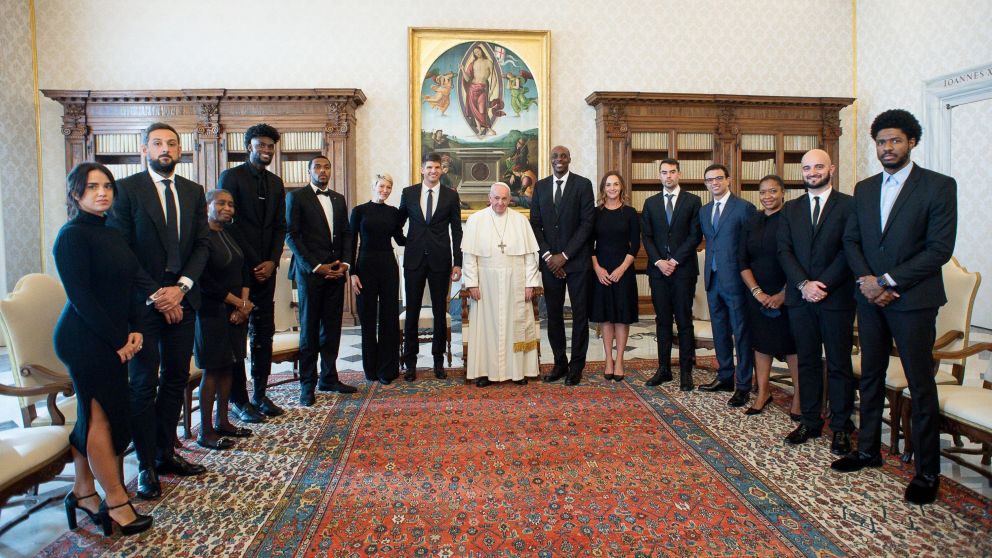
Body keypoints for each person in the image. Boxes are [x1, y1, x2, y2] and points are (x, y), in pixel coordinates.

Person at [834, 109, 957, 506]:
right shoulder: (865, 188)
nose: (887, 148)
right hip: (869, 301)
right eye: (881, 142)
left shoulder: (938, 187)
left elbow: (939, 249)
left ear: (912, 142)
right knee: (870, 375)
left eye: (895, 141)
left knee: (920, 385)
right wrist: (868, 283)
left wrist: (888, 282)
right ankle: (868, 450)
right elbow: (852, 242)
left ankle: (927, 471)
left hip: (913, 302)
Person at [109, 122, 210, 501]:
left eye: (171, 144)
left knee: (176, 378)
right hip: (143, 305)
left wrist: (180, 289)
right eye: (157, 143)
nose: (164, 149)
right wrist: (157, 295)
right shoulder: (126, 189)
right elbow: (123, 250)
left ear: (180, 150)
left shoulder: (192, 191)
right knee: (142, 385)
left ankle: (166, 453)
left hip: (183, 299)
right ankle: (146, 466)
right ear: (144, 149)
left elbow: (201, 246)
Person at [54, 162, 155, 536]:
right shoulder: (71, 236)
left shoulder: (112, 233)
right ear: (75, 194)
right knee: (102, 417)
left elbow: (129, 287)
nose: (102, 192)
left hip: (114, 336)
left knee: (95, 415)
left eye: (108, 186)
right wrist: (117, 342)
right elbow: (82, 298)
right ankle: (115, 500)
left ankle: (82, 491)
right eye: (92, 186)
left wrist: (135, 331)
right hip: (84, 339)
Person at [778, 151, 856, 451]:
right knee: (807, 361)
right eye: (807, 168)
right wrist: (803, 284)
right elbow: (784, 251)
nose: (812, 172)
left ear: (831, 169)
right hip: (800, 299)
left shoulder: (849, 205)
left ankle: (840, 426)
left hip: (835, 298)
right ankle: (810, 422)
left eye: (818, 166)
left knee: (838, 363)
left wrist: (821, 284)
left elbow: (849, 249)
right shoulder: (791, 209)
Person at [218, 123, 287, 424]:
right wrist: (255, 261)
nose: (266, 151)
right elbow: (229, 223)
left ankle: (260, 393)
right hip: (238, 271)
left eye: (270, 146)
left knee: (264, 332)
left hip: (267, 271)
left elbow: (279, 226)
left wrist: (272, 261)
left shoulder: (276, 183)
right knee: (237, 335)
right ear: (249, 146)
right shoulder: (230, 177)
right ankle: (238, 399)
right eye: (261, 145)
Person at [285, 156, 357, 406]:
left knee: (332, 329)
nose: (323, 171)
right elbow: (292, 236)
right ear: (309, 171)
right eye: (318, 167)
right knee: (310, 330)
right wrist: (316, 267)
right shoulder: (296, 197)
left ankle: (329, 377)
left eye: (327, 166)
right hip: (310, 274)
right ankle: (307, 384)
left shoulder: (338, 198)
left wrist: (346, 264)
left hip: (336, 273)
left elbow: (347, 234)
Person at [462, 183, 542, 387]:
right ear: (489, 197)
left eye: (504, 199)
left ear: (510, 199)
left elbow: (530, 257)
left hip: (516, 281)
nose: (500, 202)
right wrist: (472, 283)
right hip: (485, 283)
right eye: (496, 198)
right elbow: (469, 256)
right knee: (486, 327)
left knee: (516, 325)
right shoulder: (475, 220)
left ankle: (519, 371)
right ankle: (484, 372)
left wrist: (530, 284)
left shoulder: (520, 221)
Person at [193, 189, 254, 450]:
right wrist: (239, 303)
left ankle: (223, 422)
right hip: (211, 312)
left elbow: (244, 271)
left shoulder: (228, 234)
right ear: (207, 205)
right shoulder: (201, 238)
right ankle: (205, 431)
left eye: (230, 204)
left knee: (229, 366)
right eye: (221, 203)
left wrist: (244, 306)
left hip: (236, 313)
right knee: (213, 370)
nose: (227, 208)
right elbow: (206, 282)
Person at [530, 145, 595, 385]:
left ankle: (576, 366)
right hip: (550, 264)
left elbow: (587, 224)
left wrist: (565, 255)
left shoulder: (583, 184)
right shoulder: (541, 186)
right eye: (555, 156)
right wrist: (548, 256)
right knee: (553, 315)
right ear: (550, 160)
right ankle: (559, 363)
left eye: (563, 156)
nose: (559, 159)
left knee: (580, 315)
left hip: (576, 262)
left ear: (570, 159)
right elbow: (535, 223)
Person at [397, 152, 464, 381]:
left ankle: (438, 362)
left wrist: (458, 262)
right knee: (412, 311)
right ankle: (411, 364)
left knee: (439, 312)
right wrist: (406, 241)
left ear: (441, 170)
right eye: (429, 167)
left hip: (440, 261)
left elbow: (457, 230)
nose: (433, 171)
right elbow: (398, 223)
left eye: (437, 167)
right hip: (414, 261)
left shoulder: (450, 196)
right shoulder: (409, 193)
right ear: (422, 169)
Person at [737, 175, 800, 417]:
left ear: (783, 192)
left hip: (789, 294)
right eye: (763, 192)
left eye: (772, 191)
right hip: (757, 295)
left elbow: (799, 259)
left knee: (792, 347)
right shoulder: (752, 221)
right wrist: (757, 292)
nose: (767, 197)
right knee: (760, 345)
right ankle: (763, 392)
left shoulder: (792, 220)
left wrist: (784, 293)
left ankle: (799, 397)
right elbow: (742, 261)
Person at [697, 164, 757, 407]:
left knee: (741, 333)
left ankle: (743, 385)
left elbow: (751, 247)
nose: (714, 183)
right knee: (720, 330)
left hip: (736, 280)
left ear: (728, 180)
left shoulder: (744, 208)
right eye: (710, 180)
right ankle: (724, 376)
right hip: (712, 279)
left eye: (719, 178)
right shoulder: (704, 211)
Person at [641, 159, 702, 390]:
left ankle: (686, 371)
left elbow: (694, 236)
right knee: (662, 320)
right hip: (658, 272)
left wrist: (674, 261)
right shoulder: (651, 203)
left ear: (679, 174)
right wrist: (659, 261)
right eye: (664, 173)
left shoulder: (693, 201)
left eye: (672, 172)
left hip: (683, 270)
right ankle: (663, 369)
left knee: (684, 320)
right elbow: (646, 236)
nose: (668, 176)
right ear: (659, 176)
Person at [350, 174, 406, 385]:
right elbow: (350, 241)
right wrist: (351, 272)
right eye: (381, 186)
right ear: (373, 186)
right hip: (364, 266)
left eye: (389, 187)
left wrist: (425, 238)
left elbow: (400, 239)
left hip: (388, 266)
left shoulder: (394, 213)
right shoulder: (359, 211)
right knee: (367, 318)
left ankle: (387, 369)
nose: (385, 190)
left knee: (389, 318)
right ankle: (370, 368)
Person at [589, 173, 640, 382]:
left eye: (616, 184)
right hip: (601, 271)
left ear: (621, 187)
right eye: (608, 185)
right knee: (606, 317)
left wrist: (622, 269)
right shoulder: (595, 213)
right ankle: (608, 359)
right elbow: (589, 244)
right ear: (603, 189)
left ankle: (619, 360)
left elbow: (635, 245)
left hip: (623, 271)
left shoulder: (629, 213)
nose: (612, 188)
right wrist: (597, 269)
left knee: (621, 316)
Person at [460, 45, 504, 136]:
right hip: (472, 88)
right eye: (475, 53)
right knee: (474, 110)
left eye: (478, 51)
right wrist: (463, 70)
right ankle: (479, 130)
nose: (477, 53)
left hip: (483, 88)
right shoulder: (473, 63)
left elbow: (495, 78)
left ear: (481, 51)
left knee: (482, 110)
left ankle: (488, 128)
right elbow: (467, 79)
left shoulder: (489, 62)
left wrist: (491, 91)